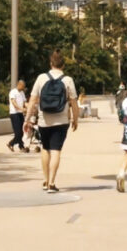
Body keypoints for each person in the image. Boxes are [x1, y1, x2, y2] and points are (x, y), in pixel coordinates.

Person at [24, 50, 79, 193]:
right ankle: (52, 183)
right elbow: (73, 102)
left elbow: (32, 100)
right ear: (63, 65)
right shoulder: (68, 80)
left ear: (50, 63)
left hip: (44, 121)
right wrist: (75, 119)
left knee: (45, 148)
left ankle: (45, 180)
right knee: (56, 150)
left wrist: (27, 119)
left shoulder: (41, 78)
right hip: (61, 121)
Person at [7, 80, 28, 153]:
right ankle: (19, 146)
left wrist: (29, 107)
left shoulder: (22, 93)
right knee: (18, 133)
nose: (23, 88)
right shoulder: (13, 92)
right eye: (22, 86)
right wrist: (21, 108)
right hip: (14, 114)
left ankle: (13, 144)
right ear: (19, 85)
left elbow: (24, 102)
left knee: (21, 132)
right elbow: (14, 103)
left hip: (20, 114)